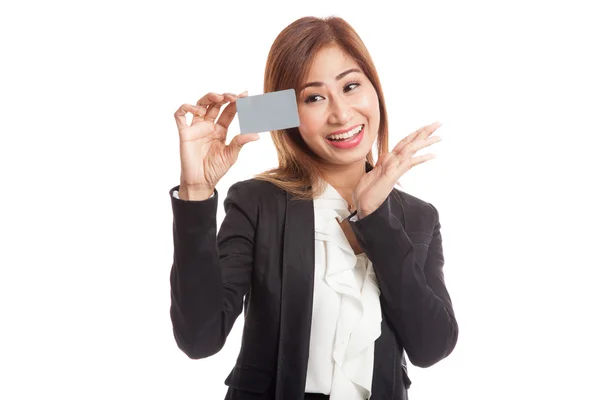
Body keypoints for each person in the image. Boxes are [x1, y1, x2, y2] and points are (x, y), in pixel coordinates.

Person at [168, 15, 458, 400]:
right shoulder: (257, 202)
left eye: (351, 86)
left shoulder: (418, 217)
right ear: (289, 115)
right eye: (314, 97)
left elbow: (432, 347)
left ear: (375, 90)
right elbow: (199, 339)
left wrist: (375, 219)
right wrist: (196, 192)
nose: (341, 114)